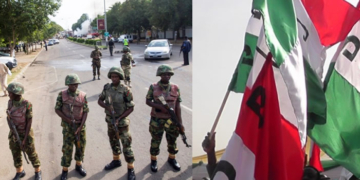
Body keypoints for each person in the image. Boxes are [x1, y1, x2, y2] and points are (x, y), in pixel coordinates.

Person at [97, 67, 136, 180]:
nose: (114, 78)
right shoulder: (107, 88)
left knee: (126, 144)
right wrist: (107, 107)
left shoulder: (125, 90)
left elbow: (131, 107)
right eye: (112, 76)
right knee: (113, 141)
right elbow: (100, 100)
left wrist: (120, 118)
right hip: (110, 120)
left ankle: (131, 168)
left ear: (120, 77)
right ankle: (116, 160)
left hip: (122, 122)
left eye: (116, 77)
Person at [145, 64, 184, 172]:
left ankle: (172, 158)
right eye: (164, 74)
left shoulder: (176, 88)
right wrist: (160, 107)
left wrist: (179, 122)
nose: (167, 76)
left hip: (171, 120)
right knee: (155, 141)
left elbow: (177, 106)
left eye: (168, 74)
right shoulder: (153, 87)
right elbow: (148, 101)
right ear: (160, 75)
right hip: (157, 120)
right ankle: (153, 160)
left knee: (172, 140)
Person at [55, 74, 88, 180]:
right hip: (68, 128)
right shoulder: (62, 95)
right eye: (72, 84)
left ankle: (79, 165)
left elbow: (86, 111)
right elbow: (57, 109)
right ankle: (65, 170)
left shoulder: (82, 95)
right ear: (68, 84)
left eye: (76, 84)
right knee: (67, 149)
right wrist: (68, 120)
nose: (75, 86)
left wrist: (80, 126)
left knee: (80, 147)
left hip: (80, 127)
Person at [6, 82, 42, 180]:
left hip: (26, 133)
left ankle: (38, 171)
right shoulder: (10, 102)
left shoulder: (27, 104)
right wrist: (13, 132)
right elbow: (8, 117)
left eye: (10, 93)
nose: (8, 94)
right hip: (14, 133)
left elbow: (29, 122)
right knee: (15, 153)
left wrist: (24, 139)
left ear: (16, 93)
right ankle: (20, 171)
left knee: (31, 153)